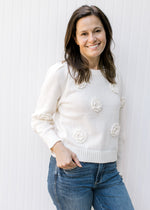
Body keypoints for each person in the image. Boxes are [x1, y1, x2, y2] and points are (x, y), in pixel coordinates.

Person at [31, 5, 134, 210]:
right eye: (84, 34)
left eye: (97, 30)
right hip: (73, 173)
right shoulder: (62, 72)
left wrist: (115, 162)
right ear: (75, 39)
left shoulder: (114, 76)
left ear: (106, 32)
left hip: (109, 173)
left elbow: (117, 126)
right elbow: (40, 118)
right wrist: (58, 148)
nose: (92, 39)